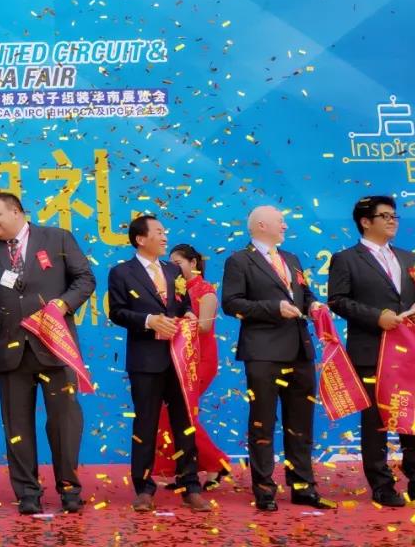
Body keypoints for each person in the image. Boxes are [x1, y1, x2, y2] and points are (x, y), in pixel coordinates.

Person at [0, 192, 95, 515]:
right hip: (12, 352)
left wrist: (63, 304)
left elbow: (85, 279)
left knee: (64, 422)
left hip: (54, 346)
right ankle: (27, 492)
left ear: (17, 212)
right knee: (16, 426)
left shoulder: (57, 238)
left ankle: (69, 489)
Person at [222, 205, 324, 512]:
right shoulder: (240, 260)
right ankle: (265, 489)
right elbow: (231, 303)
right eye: (280, 221)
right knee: (262, 423)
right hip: (263, 352)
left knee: (301, 423)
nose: (285, 226)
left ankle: (303, 486)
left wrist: (314, 306)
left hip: (299, 350)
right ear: (261, 225)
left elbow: (304, 294)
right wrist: (273, 308)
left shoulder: (291, 258)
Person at [107, 215, 211, 513]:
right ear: (141, 239)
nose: (165, 237)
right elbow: (117, 312)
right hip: (145, 359)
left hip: (178, 358)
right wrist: (149, 321)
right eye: (158, 232)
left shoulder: (172, 270)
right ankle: (143, 488)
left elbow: (183, 303)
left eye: (165, 232)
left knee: (184, 423)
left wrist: (188, 313)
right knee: (145, 424)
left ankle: (190, 486)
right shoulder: (121, 272)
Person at [328, 195, 415, 507]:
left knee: (414, 415)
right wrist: (376, 317)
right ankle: (381, 484)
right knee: (376, 421)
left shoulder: (410, 258)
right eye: (385, 216)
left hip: (410, 352)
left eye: (395, 216)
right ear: (366, 222)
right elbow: (337, 300)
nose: (393, 221)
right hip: (372, 350)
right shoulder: (346, 259)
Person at [152, 243, 231, 489]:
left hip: (201, 360)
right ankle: (187, 471)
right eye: (171, 264)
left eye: (179, 263)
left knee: (183, 414)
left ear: (193, 263)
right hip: (179, 360)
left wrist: (176, 322)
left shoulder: (205, 290)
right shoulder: (174, 289)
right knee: (171, 414)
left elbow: (205, 326)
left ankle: (216, 463)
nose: (174, 268)